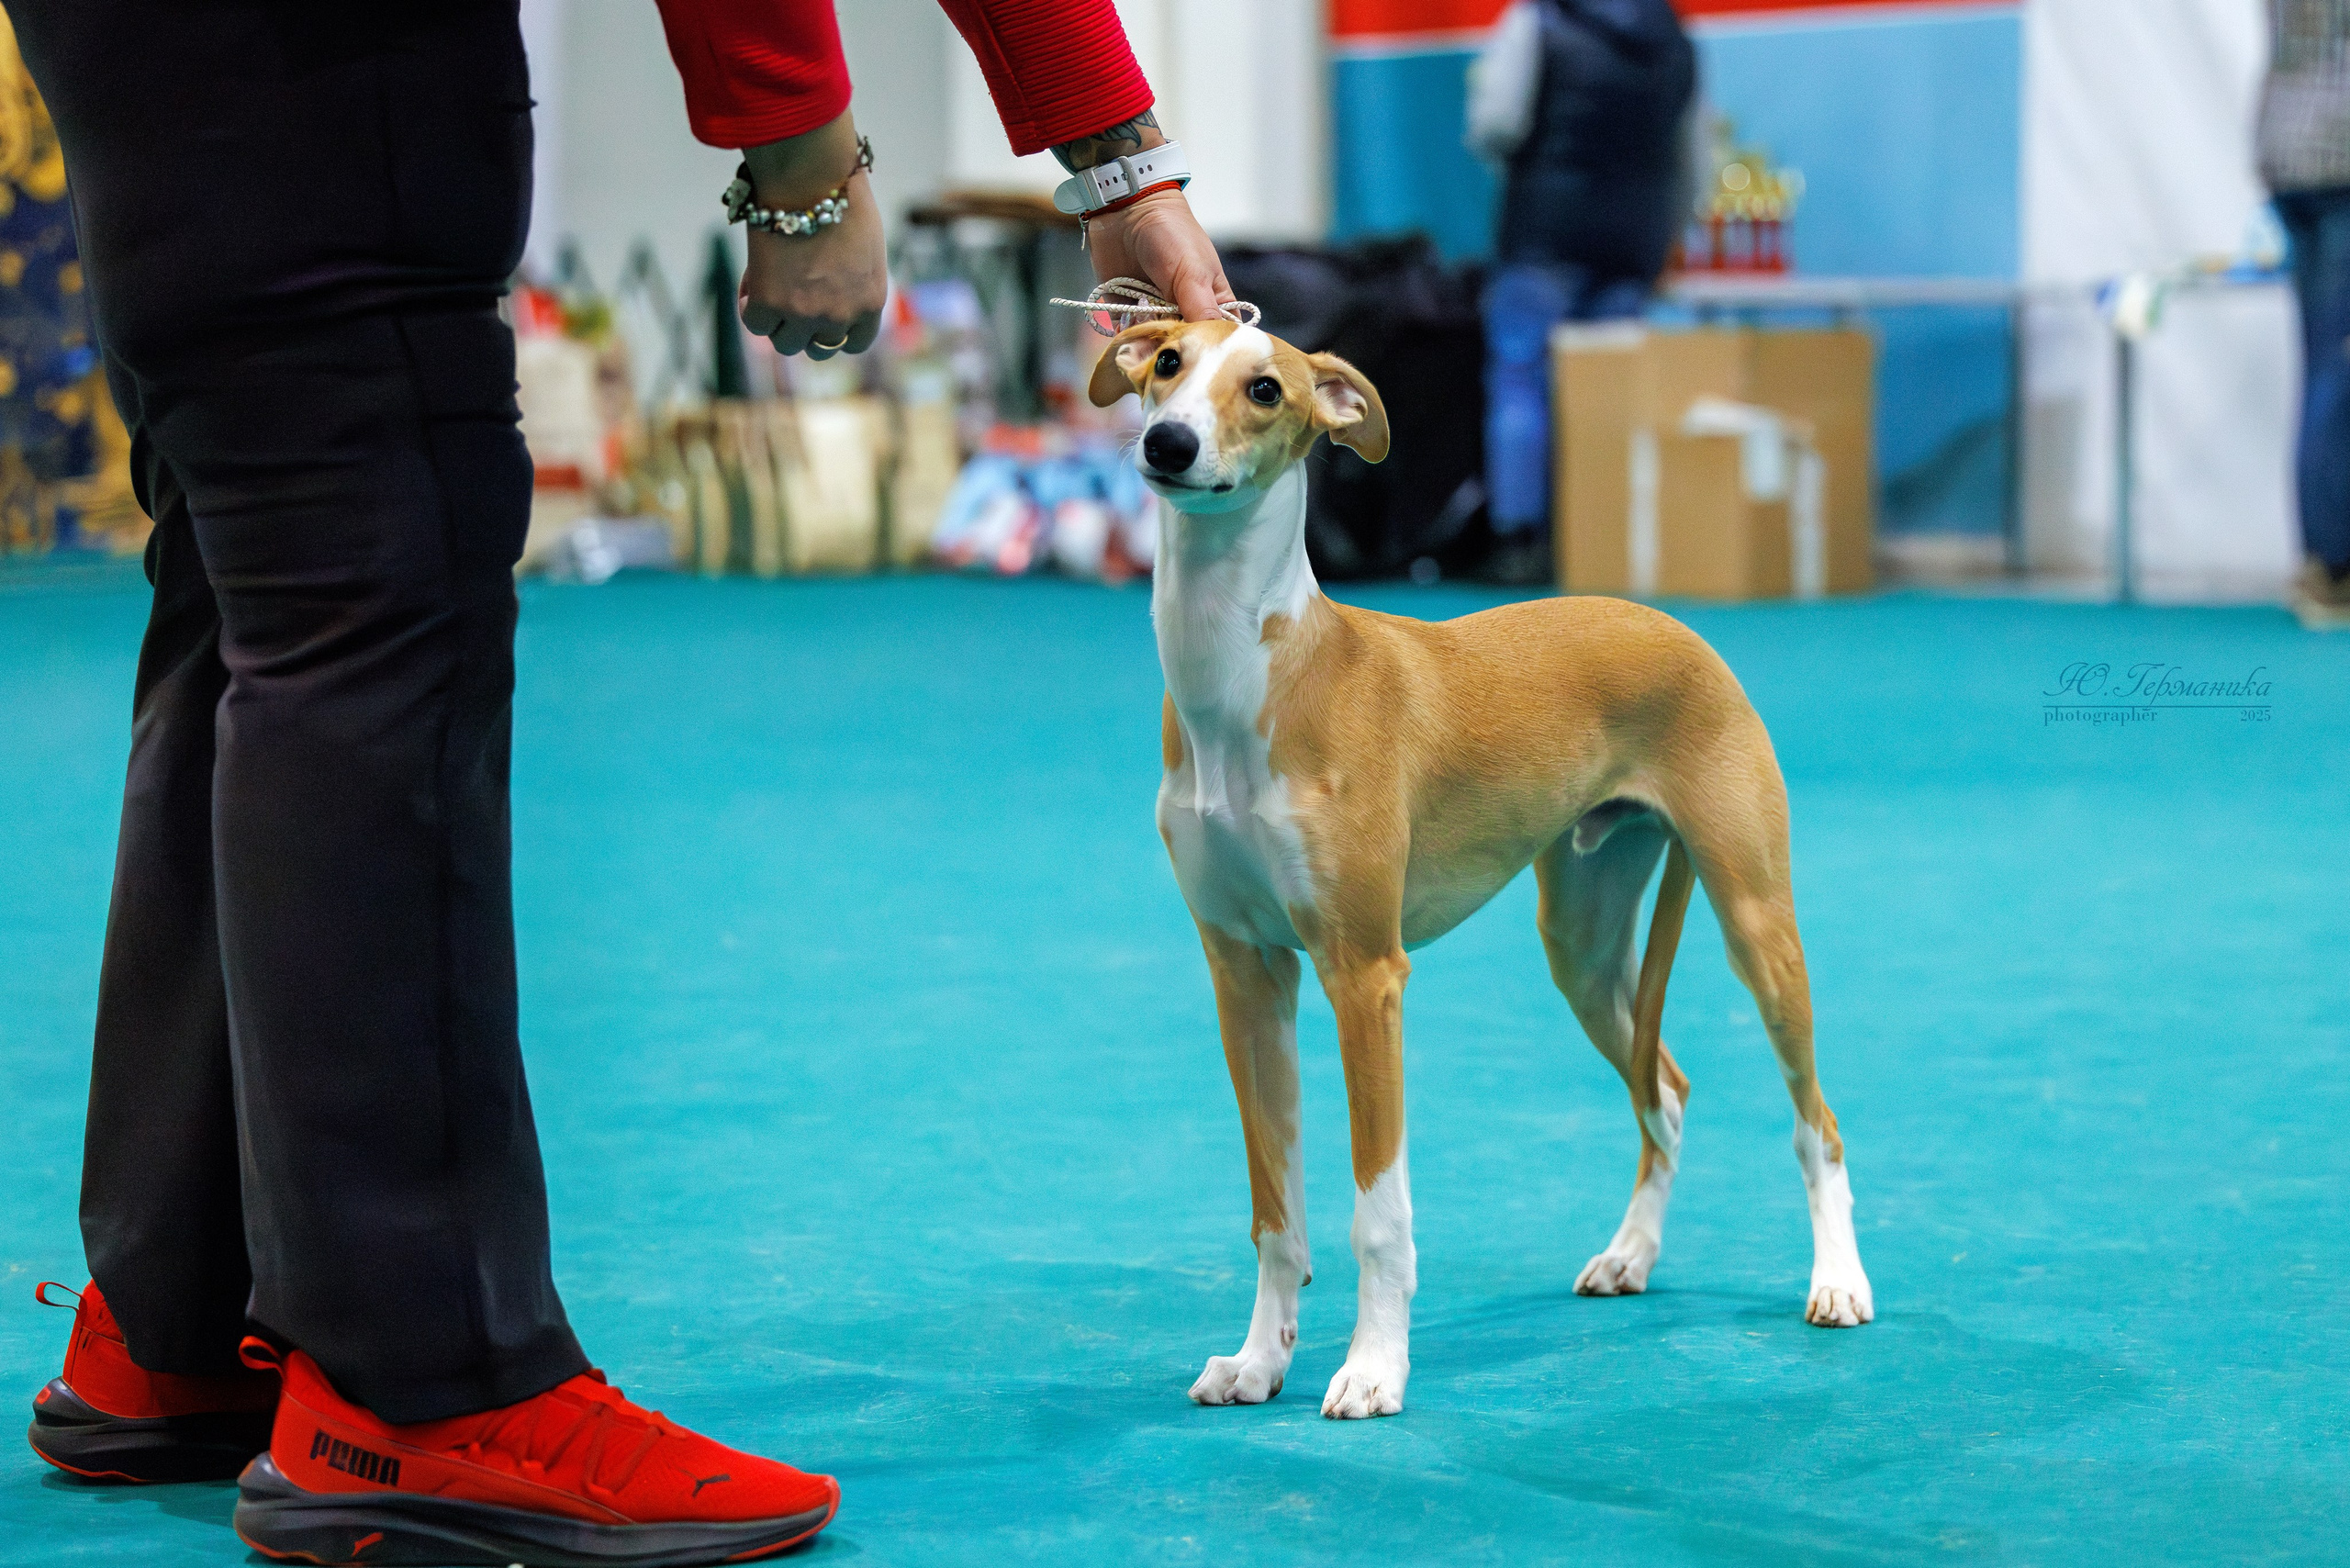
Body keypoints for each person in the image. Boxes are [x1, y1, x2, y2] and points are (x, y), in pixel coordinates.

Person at [13, 3, 1226, 1562]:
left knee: (254, 590)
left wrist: (1110, 148)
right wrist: (803, 158)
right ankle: (428, 1386)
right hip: (340, 87)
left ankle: (176, 1314)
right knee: (381, 599)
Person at [1465, 0, 1695, 585]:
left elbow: (1496, 122)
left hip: (1545, 233)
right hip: (1634, 240)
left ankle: (1519, 541)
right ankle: (1605, 538)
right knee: (1610, 391)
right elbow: (1692, 152)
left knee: (1520, 380)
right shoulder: (1673, 35)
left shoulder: (1539, 21)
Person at [2262, 0, 2350, 630]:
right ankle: (2333, 563)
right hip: (2340, 155)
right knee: (2338, 369)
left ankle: (2322, 558)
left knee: (2324, 363)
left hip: (2287, 150)